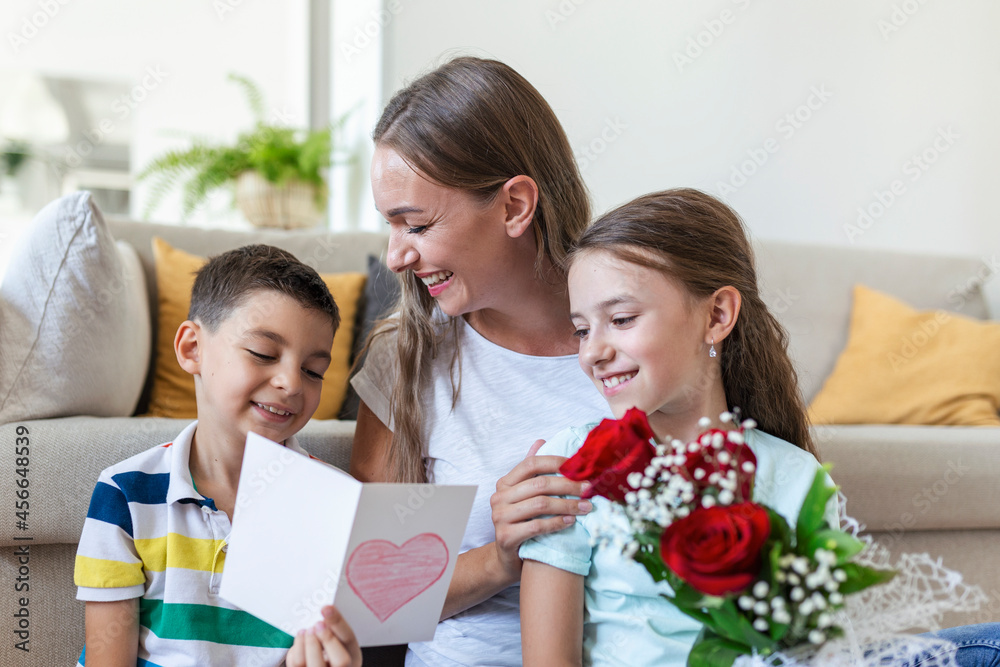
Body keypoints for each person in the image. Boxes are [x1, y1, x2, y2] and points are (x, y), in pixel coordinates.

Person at [517, 189, 1000, 666]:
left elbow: (818, 653)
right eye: (582, 329)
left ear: (718, 315)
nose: (591, 352)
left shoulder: (796, 476)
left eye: (620, 319)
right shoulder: (572, 463)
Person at [349, 57, 611, 666]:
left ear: (515, 205)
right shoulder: (407, 358)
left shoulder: (635, 344)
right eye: (390, 225)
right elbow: (376, 594)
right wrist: (499, 557)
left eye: (414, 223)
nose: (395, 256)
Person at [74, 245, 361, 667]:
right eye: (264, 353)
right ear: (192, 348)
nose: (291, 383)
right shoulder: (125, 492)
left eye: (313, 371)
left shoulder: (334, 503)